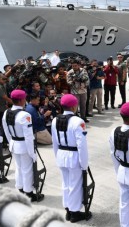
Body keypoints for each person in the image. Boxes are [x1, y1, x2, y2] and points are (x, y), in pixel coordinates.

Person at [51, 94, 92, 223]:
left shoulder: (55, 120)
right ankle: (74, 213)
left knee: (66, 183)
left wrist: (57, 156)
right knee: (75, 184)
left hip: (61, 155)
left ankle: (68, 209)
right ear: (74, 106)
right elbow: (82, 145)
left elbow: (54, 142)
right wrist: (84, 163)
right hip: (73, 156)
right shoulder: (78, 121)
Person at [2, 89, 44, 202]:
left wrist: (11, 142)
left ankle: (20, 188)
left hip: (14, 144)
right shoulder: (25, 115)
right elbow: (29, 137)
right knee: (27, 170)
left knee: (19, 168)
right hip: (24, 146)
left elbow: (6, 130)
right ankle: (28, 193)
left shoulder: (7, 112)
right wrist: (32, 153)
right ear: (21, 100)